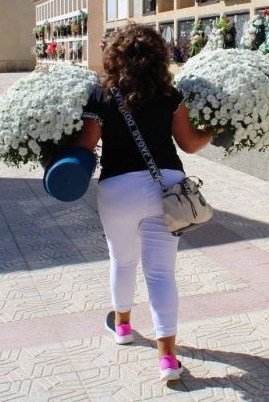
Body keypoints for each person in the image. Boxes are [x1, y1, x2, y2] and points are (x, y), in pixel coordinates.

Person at [72, 24, 212, 382]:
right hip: (167, 188)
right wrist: (216, 128)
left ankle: (122, 327)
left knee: (122, 260)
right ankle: (167, 360)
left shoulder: (100, 96)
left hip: (118, 188)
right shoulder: (170, 95)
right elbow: (190, 144)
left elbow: (85, 147)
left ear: (114, 56)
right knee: (161, 274)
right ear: (158, 57)